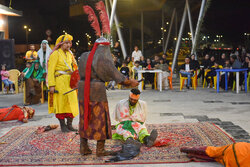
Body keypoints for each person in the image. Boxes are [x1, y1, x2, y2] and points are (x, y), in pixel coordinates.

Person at [78, 37, 138, 157]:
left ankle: (83, 146)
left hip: (82, 89)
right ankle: (100, 150)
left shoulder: (84, 55)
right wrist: (130, 82)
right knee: (100, 118)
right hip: (96, 91)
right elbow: (117, 76)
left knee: (85, 116)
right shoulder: (103, 59)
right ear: (105, 47)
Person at [47, 34, 79, 133]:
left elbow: (74, 68)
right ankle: (63, 125)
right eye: (66, 43)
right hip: (59, 82)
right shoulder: (55, 54)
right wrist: (51, 85)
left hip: (70, 82)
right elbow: (51, 70)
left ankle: (69, 125)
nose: (69, 45)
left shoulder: (70, 54)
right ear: (61, 44)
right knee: (60, 104)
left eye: (70, 43)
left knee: (72, 103)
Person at [180, 142, 250, 167]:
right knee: (218, 158)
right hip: (238, 163)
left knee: (214, 151)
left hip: (238, 148)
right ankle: (194, 155)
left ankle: (192, 149)